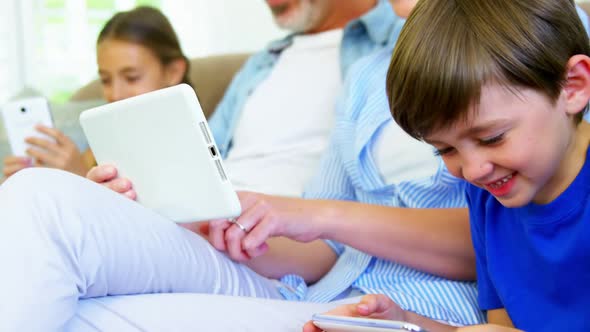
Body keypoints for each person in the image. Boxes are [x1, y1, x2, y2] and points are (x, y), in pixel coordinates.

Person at [304, 0, 590, 331]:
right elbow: (500, 328)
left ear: (573, 87)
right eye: (445, 150)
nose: (472, 171)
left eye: (492, 138)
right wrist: (407, 323)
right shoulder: (488, 200)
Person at [1, 6, 190, 179]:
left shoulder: (187, 143)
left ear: (173, 72)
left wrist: (79, 177)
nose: (115, 94)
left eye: (132, 77)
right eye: (106, 80)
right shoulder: (102, 137)